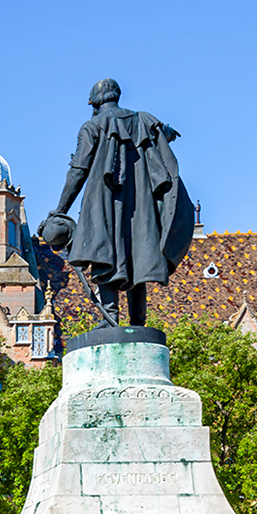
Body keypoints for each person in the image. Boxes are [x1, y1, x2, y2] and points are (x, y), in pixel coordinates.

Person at [39, 78, 195, 327]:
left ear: (93, 102)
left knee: (104, 251)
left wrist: (60, 210)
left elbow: (78, 170)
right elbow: (162, 133)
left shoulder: (92, 126)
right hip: (140, 204)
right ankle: (138, 323)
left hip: (103, 201)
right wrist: (167, 132)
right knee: (139, 256)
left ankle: (110, 317)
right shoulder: (143, 119)